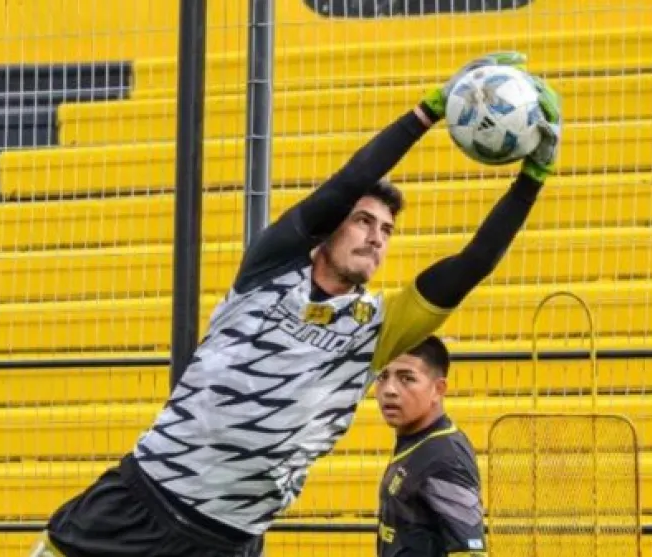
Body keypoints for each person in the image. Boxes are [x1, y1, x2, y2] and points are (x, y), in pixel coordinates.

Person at [29, 51, 560, 557]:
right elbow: (348, 182)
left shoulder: (376, 329)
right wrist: (429, 111)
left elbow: (473, 263)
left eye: (386, 230)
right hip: (139, 499)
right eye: (363, 221)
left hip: (227, 539)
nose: (376, 237)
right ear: (330, 227)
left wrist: (530, 181)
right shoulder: (270, 269)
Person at [375, 335, 485, 557]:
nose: (389, 389)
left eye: (406, 378)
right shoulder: (417, 441)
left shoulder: (446, 457)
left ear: (438, 389)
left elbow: (470, 552)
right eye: (383, 377)